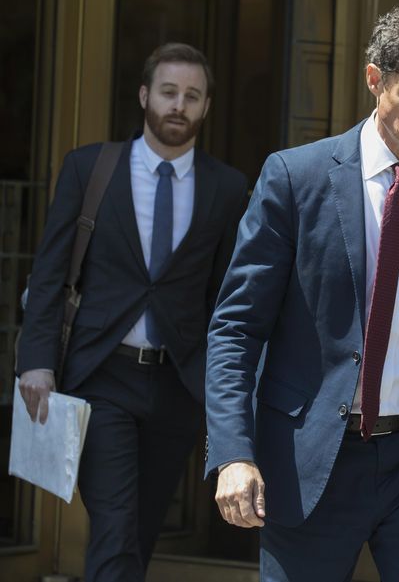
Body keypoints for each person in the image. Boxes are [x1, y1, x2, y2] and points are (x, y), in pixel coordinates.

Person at [204, 5, 399, 582]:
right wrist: (234, 451)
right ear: (374, 80)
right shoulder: (296, 178)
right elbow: (237, 328)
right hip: (311, 452)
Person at [16, 43, 249, 582]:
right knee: (116, 527)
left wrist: (225, 386)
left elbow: (226, 296)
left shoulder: (227, 188)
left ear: (206, 106)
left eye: (192, 96)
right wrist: (37, 360)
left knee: (140, 529)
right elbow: (50, 272)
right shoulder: (90, 169)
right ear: (145, 96)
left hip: (178, 384)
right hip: (102, 375)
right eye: (168, 92)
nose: (178, 105)